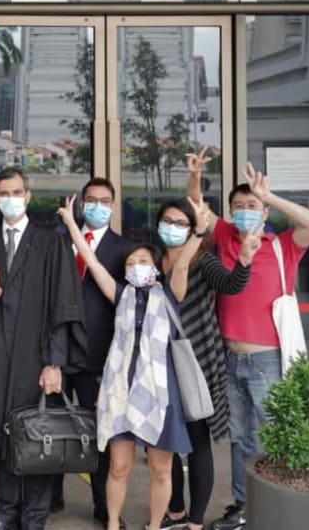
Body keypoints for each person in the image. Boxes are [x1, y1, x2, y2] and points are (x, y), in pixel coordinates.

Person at [186, 151, 309, 530]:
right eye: (239, 206)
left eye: (252, 206)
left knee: (275, 436)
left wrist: (269, 196)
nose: (245, 211)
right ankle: (242, 507)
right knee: (240, 438)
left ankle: (281, 507)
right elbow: (196, 205)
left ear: (264, 212)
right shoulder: (225, 237)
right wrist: (195, 175)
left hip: (267, 359)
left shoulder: (283, 246)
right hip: (228, 358)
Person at [60, 194, 209, 530]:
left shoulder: (170, 294)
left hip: (161, 392)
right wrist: (71, 223)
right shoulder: (121, 294)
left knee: (160, 468)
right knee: (118, 467)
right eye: (130, 263)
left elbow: (182, 265)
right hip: (120, 390)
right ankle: (113, 523)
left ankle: (154, 525)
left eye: (143, 261)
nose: (136, 266)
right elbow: (93, 263)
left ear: (155, 268)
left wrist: (198, 232)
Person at [0, 166, 84, 530]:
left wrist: (55, 363)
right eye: (4, 194)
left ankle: (34, 515)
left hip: (38, 352)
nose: (11, 199)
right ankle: (6, 511)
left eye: (17, 193)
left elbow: (63, 302)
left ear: (28, 196)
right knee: (5, 430)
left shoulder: (51, 242)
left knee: (38, 433)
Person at [154, 199, 260, 530]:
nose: (172, 228)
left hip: (196, 360)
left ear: (192, 230)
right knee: (165, 441)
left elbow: (232, 285)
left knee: (198, 442)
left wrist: (244, 260)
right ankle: (175, 511)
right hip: (158, 362)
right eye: (167, 221)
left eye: (180, 223)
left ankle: (195, 521)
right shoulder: (152, 261)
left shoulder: (203, 261)